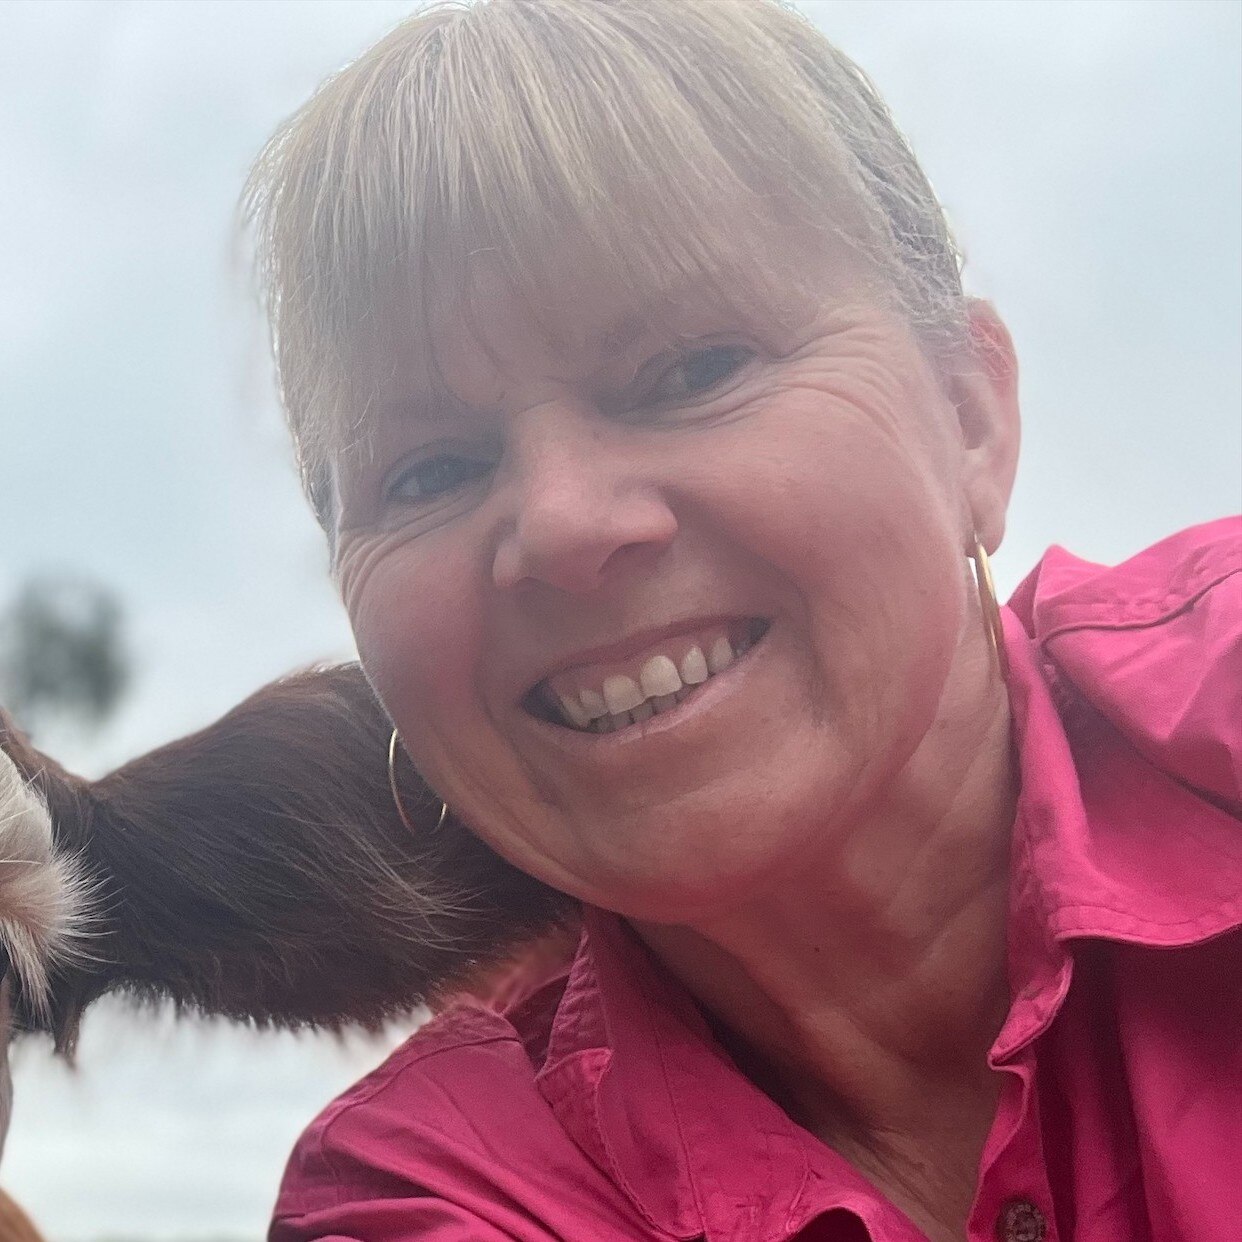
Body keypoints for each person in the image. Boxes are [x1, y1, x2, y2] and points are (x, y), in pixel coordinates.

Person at [241, 1, 1237, 1238]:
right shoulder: (428, 1191)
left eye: (694, 368)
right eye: (429, 471)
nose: (561, 524)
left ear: (970, 417)